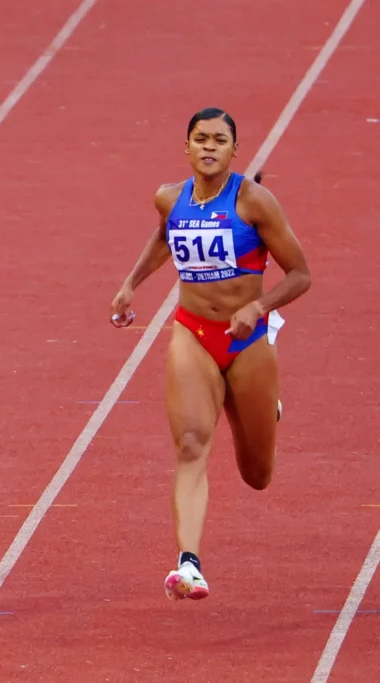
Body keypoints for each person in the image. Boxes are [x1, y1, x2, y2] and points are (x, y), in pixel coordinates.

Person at [109, 107, 311, 601]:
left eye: (220, 140)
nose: (209, 147)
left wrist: (258, 306)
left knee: (257, 475)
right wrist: (131, 284)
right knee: (191, 444)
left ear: (234, 150)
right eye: (201, 138)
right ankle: (189, 564)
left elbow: (301, 274)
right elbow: (165, 236)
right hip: (193, 332)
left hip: (247, 340)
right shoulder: (169, 197)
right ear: (186, 146)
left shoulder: (255, 202)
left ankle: (264, 407)